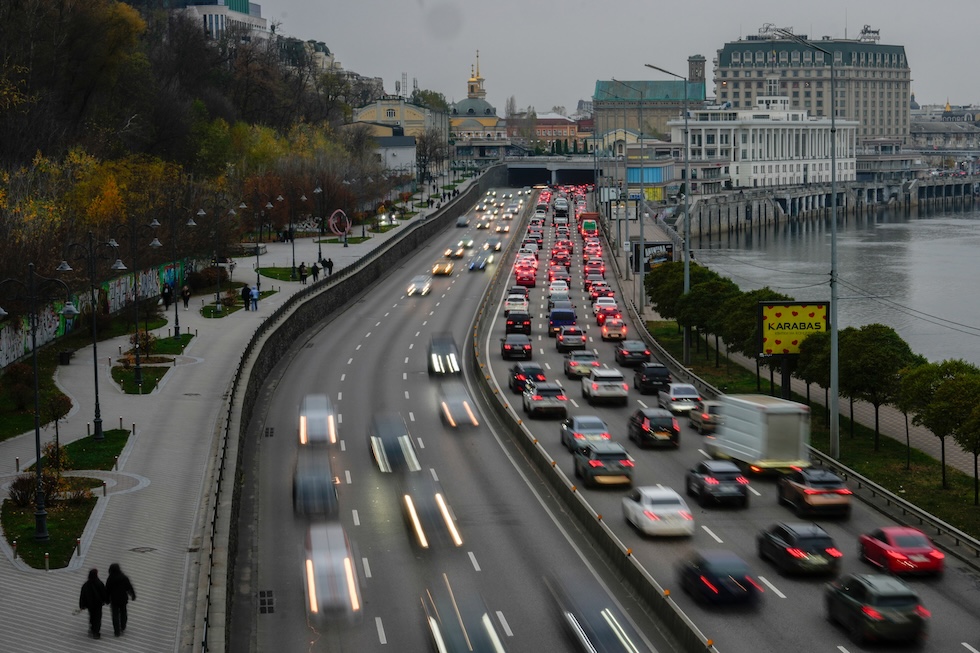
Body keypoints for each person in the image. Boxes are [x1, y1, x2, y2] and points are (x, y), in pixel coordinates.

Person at [105, 563, 136, 637]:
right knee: (123, 612)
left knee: (115, 615)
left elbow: (107, 590)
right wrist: (132, 595)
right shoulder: (124, 577)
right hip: (123, 598)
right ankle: (123, 625)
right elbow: (129, 587)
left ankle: (116, 631)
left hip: (114, 599)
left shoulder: (110, 579)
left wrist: (106, 599)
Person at [78, 568, 108, 639]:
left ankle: (92, 628)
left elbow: (83, 595)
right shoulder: (99, 583)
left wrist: (82, 605)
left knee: (92, 616)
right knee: (98, 618)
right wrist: (106, 600)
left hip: (90, 604)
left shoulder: (86, 585)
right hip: (98, 604)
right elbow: (104, 593)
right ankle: (96, 632)